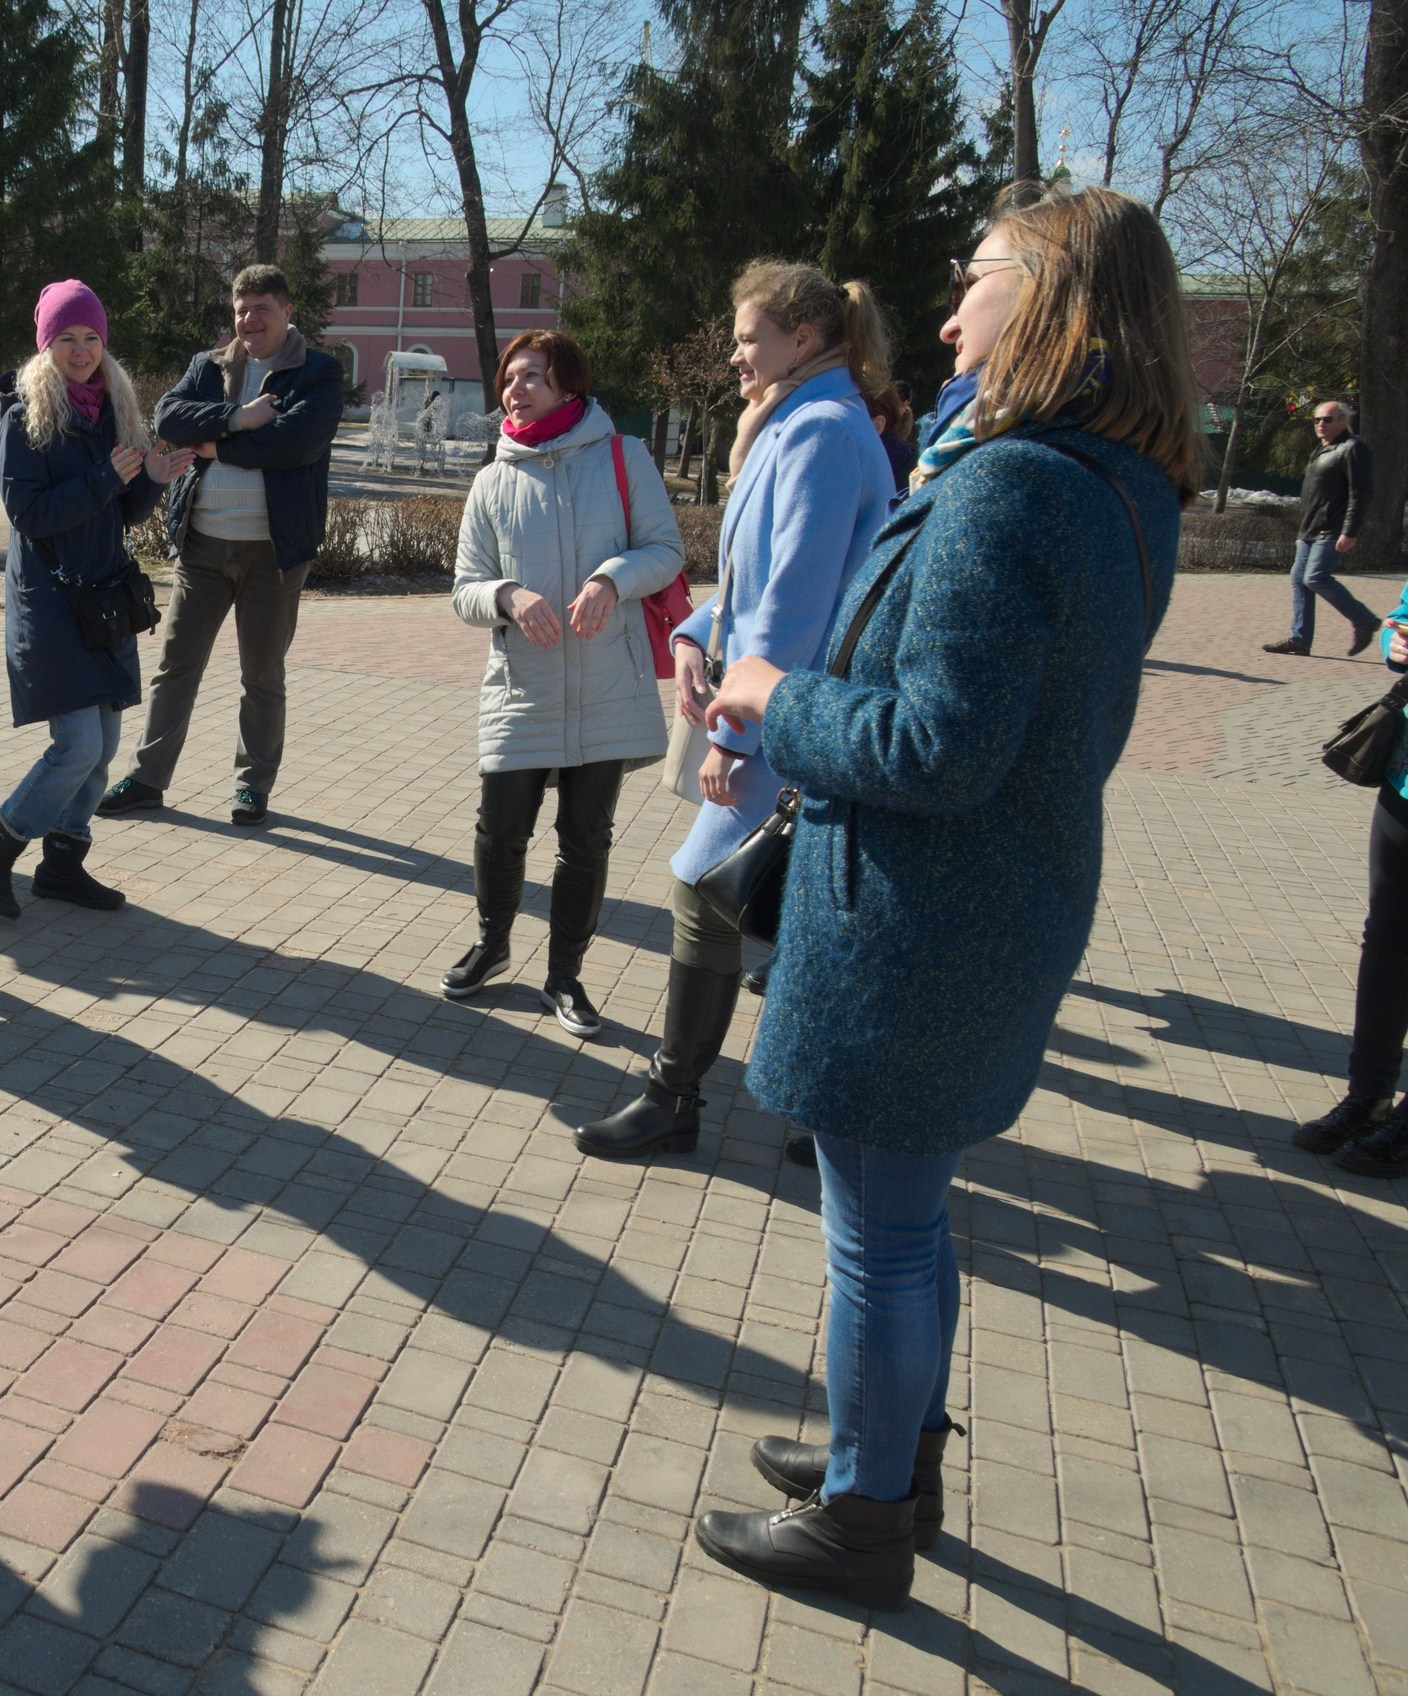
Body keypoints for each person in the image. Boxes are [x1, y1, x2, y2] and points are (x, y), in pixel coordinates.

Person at [683, 182, 1192, 1610]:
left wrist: (778, 698)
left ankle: (863, 1518)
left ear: (1053, 306)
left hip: (922, 915)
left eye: (979, 278)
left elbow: (935, 745)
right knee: (907, 1224)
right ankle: (888, 1456)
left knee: (883, 1234)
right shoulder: (1106, 478)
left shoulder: (1014, 485)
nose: (950, 305)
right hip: (988, 906)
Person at [571, 262, 895, 1162]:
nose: (736, 354)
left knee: (711, 892)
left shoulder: (821, 431)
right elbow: (754, 585)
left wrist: (739, 738)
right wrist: (693, 632)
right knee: (785, 910)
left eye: (749, 337)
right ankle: (823, 1106)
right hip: (783, 701)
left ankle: (679, 1099)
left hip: (790, 712)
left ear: (805, 336)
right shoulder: (801, 422)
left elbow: (796, 605)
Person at [442, 330, 683, 1035]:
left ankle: (565, 977)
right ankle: (491, 946)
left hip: (608, 681)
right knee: (501, 827)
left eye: (533, 377)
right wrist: (508, 596)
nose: (516, 390)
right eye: (510, 378)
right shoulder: (492, 478)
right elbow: (463, 589)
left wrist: (613, 579)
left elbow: (665, 550)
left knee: (586, 839)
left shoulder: (621, 456)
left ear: (569, 386)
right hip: (523, 686)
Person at [0, 281, 193, 918]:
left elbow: (119, 511)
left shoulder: (112, 408)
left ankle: (63, 862)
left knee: (107, 738)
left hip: (105, 596)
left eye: (91, 337)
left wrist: (148, 482)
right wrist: (103, 478)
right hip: (51, 599)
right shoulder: (24, 418)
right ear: (46, 345)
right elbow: (28, 513)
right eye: (67, 337)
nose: (82, 349)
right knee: (78, 746)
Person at [97, 264, 344, 827]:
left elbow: (297, 444)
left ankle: (251, 787)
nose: (250, 319)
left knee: (261, 674)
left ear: (288, 313)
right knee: (175, 666)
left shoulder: (319, 373)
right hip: (202, 546)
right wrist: (241, 416)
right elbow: (168, 417)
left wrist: (216, 447)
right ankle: (147, 778)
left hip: (273, 554)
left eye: (262, 307)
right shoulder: (206, 367)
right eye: (241, 309)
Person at [1289, 585, 1408, 1179]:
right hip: (1405, 780)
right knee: (1386, 944)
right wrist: (1398, 638)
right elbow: (1397, 628)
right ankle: (1369, 1095)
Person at [1263, 400, 1377, 657]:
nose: (1320, 425)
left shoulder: (1353, 448)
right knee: (1299, 580)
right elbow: (1314, 497)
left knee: (1315, 578)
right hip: (1310, 530)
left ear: (1343, 421)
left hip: (1333, 529)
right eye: (1316, 420)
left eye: (1327, 419)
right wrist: (1301, 533)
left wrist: (1350, 531)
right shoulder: (1322, 450)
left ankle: (1364, 620)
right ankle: (1300, 640)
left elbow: (1361, 494)